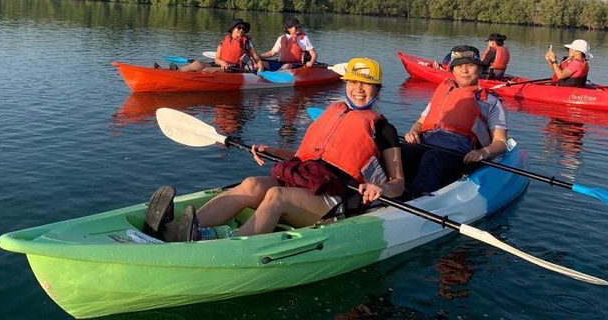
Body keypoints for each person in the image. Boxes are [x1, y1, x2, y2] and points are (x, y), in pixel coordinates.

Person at [146, 57, 404, 241]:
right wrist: (270, 149)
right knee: (251, 184)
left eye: (366, 84)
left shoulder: (383, 130)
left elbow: (398, 183)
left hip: (333, 199)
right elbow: (303, 157)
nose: (359, 89)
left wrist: (379, 188)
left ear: (377, 90)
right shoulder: (333, 112)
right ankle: (178, 230)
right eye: (354, 82)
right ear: (347, 83)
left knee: (276, 196)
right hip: (305, 180)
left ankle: (223, 242)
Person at [401, 45, 509, 196]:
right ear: (452, 70)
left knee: (432, 158)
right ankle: (388, 190)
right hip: (428, 146)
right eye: (459, 66)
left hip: (463, 156)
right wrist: (413, 132)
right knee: (401, 150)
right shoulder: (444, 93)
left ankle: (415, 197)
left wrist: (483, 152)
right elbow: (420, 123)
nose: (464, 71)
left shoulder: (490, 102)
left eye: (470, 65)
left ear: (479, 69)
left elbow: (502, 143)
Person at [177, 18, 264, 73]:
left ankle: (188, 79)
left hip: (234, 69)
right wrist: (222, 62)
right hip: (222, 65)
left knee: (206, 70)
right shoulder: (223, 41)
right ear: (233, 29)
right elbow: (216, 59)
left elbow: (256, 58)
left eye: (243, 29)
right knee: (197, 64)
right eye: (239, 27)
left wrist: (261, 68)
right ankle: (176, 72)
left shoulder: (247, 42)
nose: (242, 30)